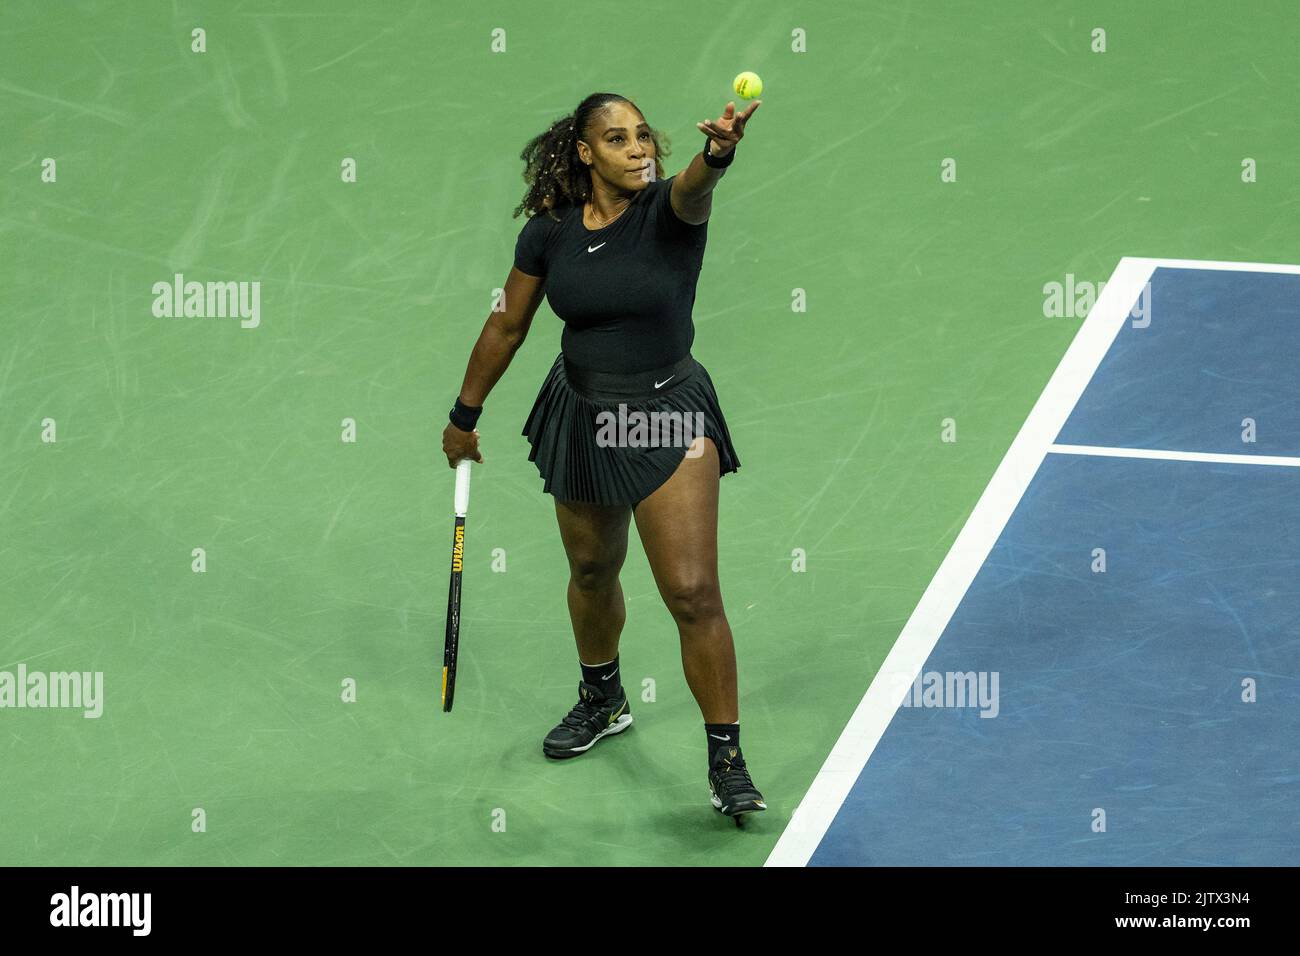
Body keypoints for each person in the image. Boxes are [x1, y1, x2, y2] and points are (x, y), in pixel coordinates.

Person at [441, 91, 765, 822]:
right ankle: (603, 697)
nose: (639, 150)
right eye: (617, 139)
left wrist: (718, 153)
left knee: (690, 591)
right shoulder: (549, 232)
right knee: (590, 570)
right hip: (583, 411)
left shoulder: (670, 214)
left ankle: (727, 759)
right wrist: (465, 414)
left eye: (645, 136)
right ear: (585, 152)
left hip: (662, 418)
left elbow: (697, 181)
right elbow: (508, 324)